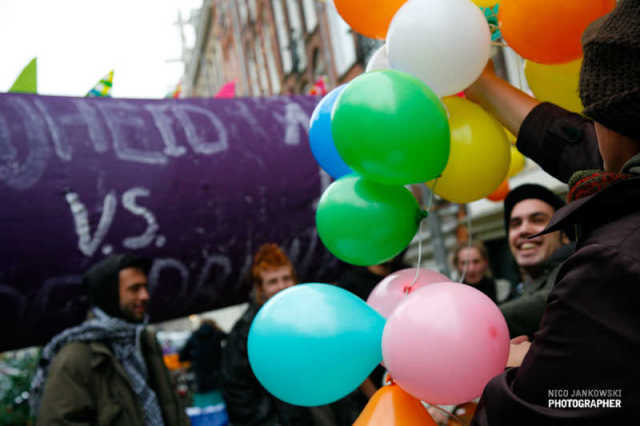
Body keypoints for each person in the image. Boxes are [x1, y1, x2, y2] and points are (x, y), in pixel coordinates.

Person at [467, 1, 640, 423]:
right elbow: (574, 145)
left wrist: (514, 371)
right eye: (515, 222)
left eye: (591, 114)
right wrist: (484, 86)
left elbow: (558, 407)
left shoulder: (612, 259)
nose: (524, 232)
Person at [29, 253, 189, 426]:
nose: (145, 296)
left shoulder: (145, 341)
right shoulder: (76, 357)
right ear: (109, 294)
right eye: (134, 289)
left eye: (145, 287)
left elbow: (171, 407)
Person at [220, 243, 315, 426]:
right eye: (272, 281)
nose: (282, 286)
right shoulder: (246, 332)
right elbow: (238, 395)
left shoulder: (308, 317)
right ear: (260, 288)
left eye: (286, 278)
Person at [498, 184, 572, 339]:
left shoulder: (579, 267)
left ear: (564, 235)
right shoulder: (516, 292)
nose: (523, 230)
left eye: (538, 220)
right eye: (515, 224)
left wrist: (482, 316)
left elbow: (554, 299)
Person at [179, 318, 227, 407]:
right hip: (218, 375)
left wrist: (194, 357)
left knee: (205, 405)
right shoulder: (218, 334)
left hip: (201, 377)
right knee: (222, 403)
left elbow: (182, 356)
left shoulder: (194, 336)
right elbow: (231, 343)